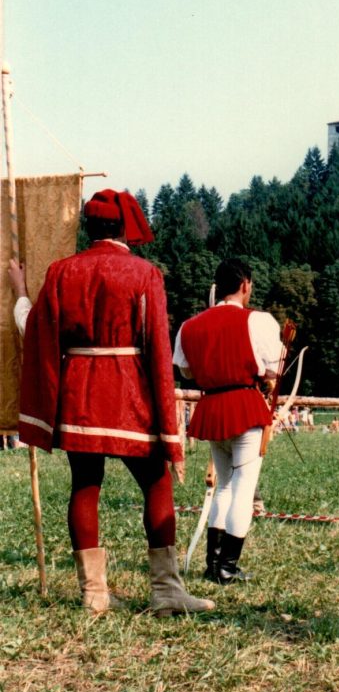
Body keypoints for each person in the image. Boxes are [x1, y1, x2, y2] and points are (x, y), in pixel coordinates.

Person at [14, 189, 213, 616]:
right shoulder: (144, 273)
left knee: (85, 486)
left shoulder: (61, 272)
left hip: (78, 396)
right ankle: (166, 591)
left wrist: (18, 291)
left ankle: (95, 594)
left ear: (89, 227)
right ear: (124, 227)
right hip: (128, 396)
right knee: (157, 483)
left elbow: (38, 333)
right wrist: (168, 428)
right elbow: (158, 351)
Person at [173, 258, 282, 585]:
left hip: (212, 406)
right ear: (245, 285)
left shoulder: (189, 325)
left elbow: (186, 370)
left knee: (224, 486)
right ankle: (226, 566)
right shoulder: (258, 320)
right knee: (243, 489)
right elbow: (274, 368)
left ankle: (213, 562)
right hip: (243, 406)